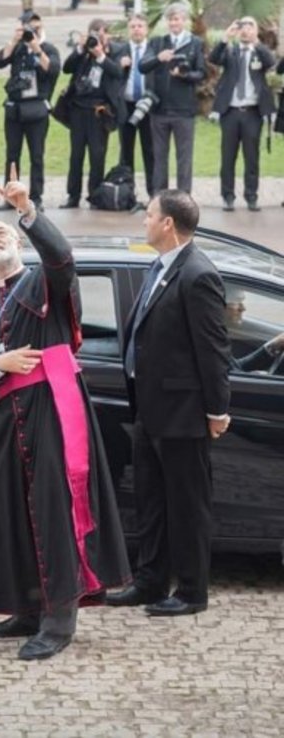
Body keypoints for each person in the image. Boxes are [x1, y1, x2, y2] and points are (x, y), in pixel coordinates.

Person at [0, 167, 131, 662]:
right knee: (12, 512)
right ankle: (26, 608)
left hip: (53, 411)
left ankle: (59, 620)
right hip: (6, 420)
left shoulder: (43, 284)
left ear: (18, 243)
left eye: (2, 232)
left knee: (56, 511)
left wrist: (27, 210)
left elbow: (61, 257)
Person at [107, 189, 231, 617]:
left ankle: (192, 592)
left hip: (183, 415)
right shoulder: (161, 266)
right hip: (150, 411)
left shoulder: (198, 276)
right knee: (151, 501)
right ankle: (150, 580)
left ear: (167, 225)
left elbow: (212, 350)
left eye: (148, 215)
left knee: (187, 506)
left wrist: (217, 410)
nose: (143, 221)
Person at [0, 11, 60, 213]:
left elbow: (53, 69)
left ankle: (36, 197)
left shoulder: (48, 48)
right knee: (12, 155)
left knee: (37, 156)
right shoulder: (18, 48)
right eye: (30, 27)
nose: (33, 31)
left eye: (37, 27)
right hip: (15, 108)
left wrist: (35, 47)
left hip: (37, 108)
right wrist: (14, 40)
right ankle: (10, 196)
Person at [209, 16, 276, 213]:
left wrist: (256, 42)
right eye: (242, 27)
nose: (245, 30)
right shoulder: (231, 51)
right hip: (230, 112)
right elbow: (213, 58)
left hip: (253, 113)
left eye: (250, 27)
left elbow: (271, 63)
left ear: (256, 31)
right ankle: (228, 196)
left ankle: (251, 196)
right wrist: (225, 38)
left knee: (252, 157)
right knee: (228, 157)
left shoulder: (259, 52)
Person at [139, 2, 206, 195]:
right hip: (159, 110)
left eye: (177, 19)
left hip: (184, 110)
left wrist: (183, 75)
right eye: (170, 19)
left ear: (184, 21)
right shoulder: (157, 42)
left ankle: (183, 197)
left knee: (184, 158)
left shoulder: (195, 43)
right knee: (159, 157)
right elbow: (143, 66)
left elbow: (201, 73)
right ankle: (159, 197)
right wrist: (158, 58)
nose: (174, 23)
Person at [60, 18, 126, 209]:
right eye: (94, 32)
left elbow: (118, 73)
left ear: (108, 34)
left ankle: (95, 195)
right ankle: (73, 195)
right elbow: (67, 68)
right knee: (76, 155)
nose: (98, 36)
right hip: (79, 110)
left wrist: (100, 55)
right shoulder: (84, 53)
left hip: (99, 112)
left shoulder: (114, 51)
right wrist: (81, 49)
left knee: (97, 156)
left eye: (102, 32)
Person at [117, 13, 155, 203]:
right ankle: (127, 193)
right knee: (126, 152)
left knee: (150, 151)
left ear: (146, 29)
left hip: (147, 107)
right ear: (128, 29)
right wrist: (119, 65)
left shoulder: (153, 49)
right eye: (133, 26)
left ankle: (153, 194)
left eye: (140, 26)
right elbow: (112, 75)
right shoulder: (121, 50)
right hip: (126, 106)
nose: (137, 29)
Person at [224, 286, 284, 372]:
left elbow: (235, 367)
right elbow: (234, 378)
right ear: (217, 305)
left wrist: (274, 345)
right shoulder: (208, 343)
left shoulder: (215, 337)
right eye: (237, 302)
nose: (243, 308)